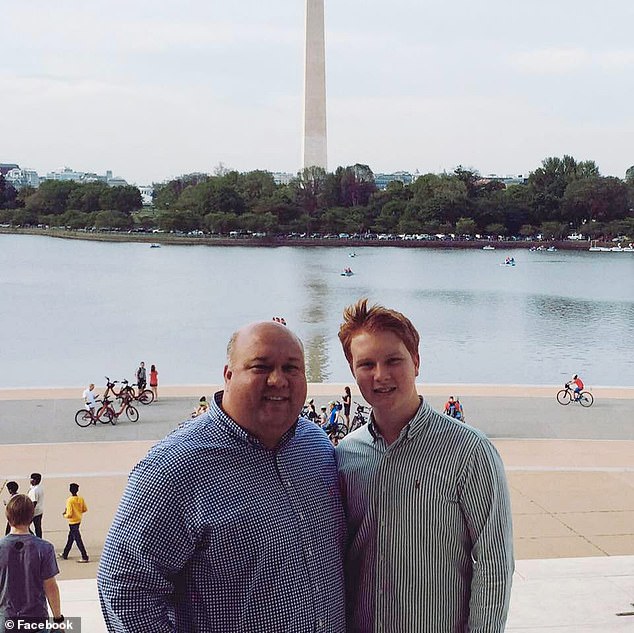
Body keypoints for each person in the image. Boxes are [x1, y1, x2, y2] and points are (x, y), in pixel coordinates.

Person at [98, 321, 346, 632]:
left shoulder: (316, 446)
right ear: (228, 375)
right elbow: (126, 590)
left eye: (291, 368)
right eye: (261, 366)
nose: (278, 380)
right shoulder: (172, 469)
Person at [335, 299, 514, 632]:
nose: (380, 375)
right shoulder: (347, 455)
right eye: (367, 364)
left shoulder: (468, 452)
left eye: (393, 360)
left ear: (416, 362)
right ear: (352, 369)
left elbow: (494, 564)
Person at [0, 495, 64, 626]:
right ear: (32, 516)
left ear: (7, 516)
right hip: (36, 619)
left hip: (6, 620)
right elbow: (50, 587)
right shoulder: (44, 548)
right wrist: (58, 619)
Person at [60, 483, 89, 563]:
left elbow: (69, 514)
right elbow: (85, 509)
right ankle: (65, 553)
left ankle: (84, 556)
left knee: (78, 539)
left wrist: (64, 515)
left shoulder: (70, 500)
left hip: (72, 522)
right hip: (78, 520)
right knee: (71, 538)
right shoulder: (81, 499)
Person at [27, 473, 44, 538]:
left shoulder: (34, 490)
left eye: (31, 479)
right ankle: (39, 540)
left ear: (35, 480)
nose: (30, 480)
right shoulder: (39, 488)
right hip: (40, 511)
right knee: (38, 528)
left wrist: (29, 512)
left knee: (25, 526)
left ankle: (33, 537)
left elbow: (34, 502)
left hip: (34, 512)